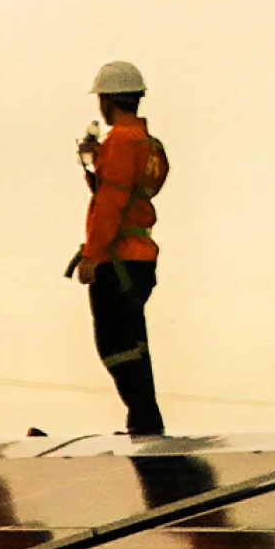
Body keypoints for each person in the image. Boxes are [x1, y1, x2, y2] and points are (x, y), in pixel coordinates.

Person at [67, 61, 173, 438]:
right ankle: (144, 420)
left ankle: (144, 419)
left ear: (108, 100)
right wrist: (97, 165)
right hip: (141, 256)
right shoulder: (149, 145)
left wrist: (93, 254)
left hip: (119, 256)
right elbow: (136, 189)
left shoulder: (120, 141)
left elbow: (111, 201)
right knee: (133, 341)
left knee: (114, 342)